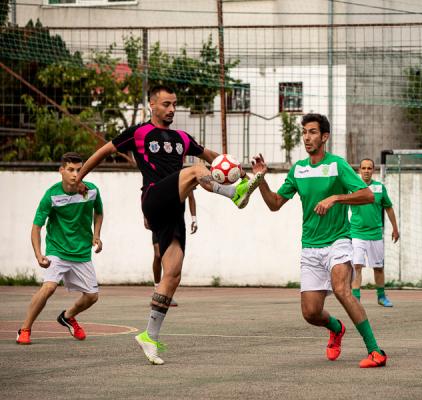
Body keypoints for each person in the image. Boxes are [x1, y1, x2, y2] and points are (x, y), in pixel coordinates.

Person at [75, 85, 263, 365]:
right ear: (152, 104)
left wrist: (244, 174)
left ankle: (149, 336)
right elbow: (103, 152)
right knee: (195, 170)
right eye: (166, 104)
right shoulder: (138, 133)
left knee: (172, 275)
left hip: (174, 209)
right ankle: (234, 195)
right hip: (153, 197)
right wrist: (79, 177)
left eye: (174, 104)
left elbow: (214, 157)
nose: (172, 109)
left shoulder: (182, 137)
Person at [250, 113, 388, 368]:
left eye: (312, 132)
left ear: (324, 137)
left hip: (339, 240)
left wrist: (336, 197)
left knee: (341, 289)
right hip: (311, 246)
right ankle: (336, 328)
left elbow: (367, 195)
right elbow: (274, 204)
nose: (307, 137)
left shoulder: (337, 165)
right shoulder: (298, 169)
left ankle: (375, 351)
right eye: (304, 132)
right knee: (311, 313)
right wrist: (260, 179)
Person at [16, 152, 104, 345]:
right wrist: (39, 254)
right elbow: (36, 227)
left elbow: (99, 213)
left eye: (79, 170)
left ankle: (68, 316)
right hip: (57, 251)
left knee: (92, 297)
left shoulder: (92, 191)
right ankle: (24, 329)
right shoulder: (51, 195)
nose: (75, 174)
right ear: (61, 170)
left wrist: (96, 234)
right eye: (71, 170)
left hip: (81, 253)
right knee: (48, 288)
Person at [350, 158, 399, 307]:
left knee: (378, 267)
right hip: (357, 233)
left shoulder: (379, 188)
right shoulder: (353, 187)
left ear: (373, 170)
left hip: (375, 234)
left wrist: (395, 228)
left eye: (369, 168)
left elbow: (388, 207)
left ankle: (381, 297)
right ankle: (356, 299)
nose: (366, 171)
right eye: (363, 168)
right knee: (357, 266)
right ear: (359, 170)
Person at [147, 192, 197, 307]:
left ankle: (166, 291)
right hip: (158, 221)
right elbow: (147, 194)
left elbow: (191, 197)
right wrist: (146, 216)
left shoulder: (181, 177)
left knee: (171, 257)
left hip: (175, 223)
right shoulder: (159, 177)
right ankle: (157, 287)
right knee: (158, 254)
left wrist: (194, 218)